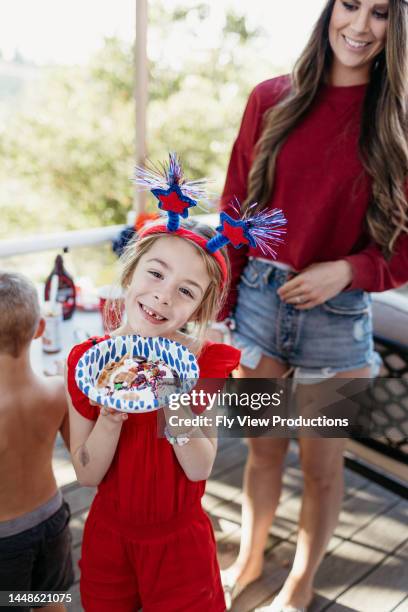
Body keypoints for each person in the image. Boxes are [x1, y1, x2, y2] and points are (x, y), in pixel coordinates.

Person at [217, 1, 408, 610]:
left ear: (396, 25)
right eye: (349, 4)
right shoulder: (270, 97)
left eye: (380, 13)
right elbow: (235, 209)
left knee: (323, 468)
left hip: (339, 320)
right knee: (262, 448)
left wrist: (348, 270)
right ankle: (249, 560)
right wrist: (223, 301)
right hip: (257, 306)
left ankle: (299, 587)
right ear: (328, 10)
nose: (359, 25)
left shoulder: (398, 123)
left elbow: (403, 249)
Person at [66, 218, 241, 612]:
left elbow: (199, 468)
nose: (163, 297)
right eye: (156, 273)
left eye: (185, 290)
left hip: (181, 546)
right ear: (130, 272)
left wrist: (170, 395)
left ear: (201, 306)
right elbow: (87, 473)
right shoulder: (87, 364)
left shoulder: (205, 364)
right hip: (109, 539)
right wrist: (109, 419)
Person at [0, 272, 74, 612]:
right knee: (50, 603)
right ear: (40, 329)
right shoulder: (58, 390)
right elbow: (81, 455)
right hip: (51, 519)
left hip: (5, 540)